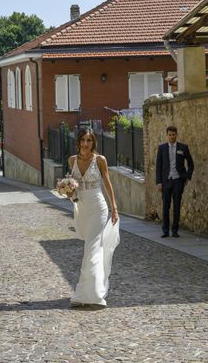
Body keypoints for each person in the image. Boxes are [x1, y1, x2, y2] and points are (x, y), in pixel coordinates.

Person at [67, 127, 119, 307]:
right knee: (89, 249)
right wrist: (67, 191)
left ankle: (92, 294)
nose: (85, 144)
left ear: (93, 142)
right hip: (81, 209)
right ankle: (86, 293)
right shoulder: (72, 160)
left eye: (89, 140)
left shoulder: (100, 160)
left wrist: (114, 208)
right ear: (79, 141)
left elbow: (107, 183)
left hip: (98, 208)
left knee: (91, 249)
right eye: (83, 140)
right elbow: (73, 188)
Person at [155, 125, 194, 238]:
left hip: (178, 181)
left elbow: (191, 164)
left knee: (177, 206)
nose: (172, 137)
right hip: (166, 181)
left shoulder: (183, 147)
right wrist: (158, 182)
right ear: (167, 135)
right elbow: (159, 166)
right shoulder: (162, 148)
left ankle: (175, 230)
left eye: (173, 135)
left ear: (176, 135)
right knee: (166, 206)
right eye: (170, 135)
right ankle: (165, 230)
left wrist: (186, 177)